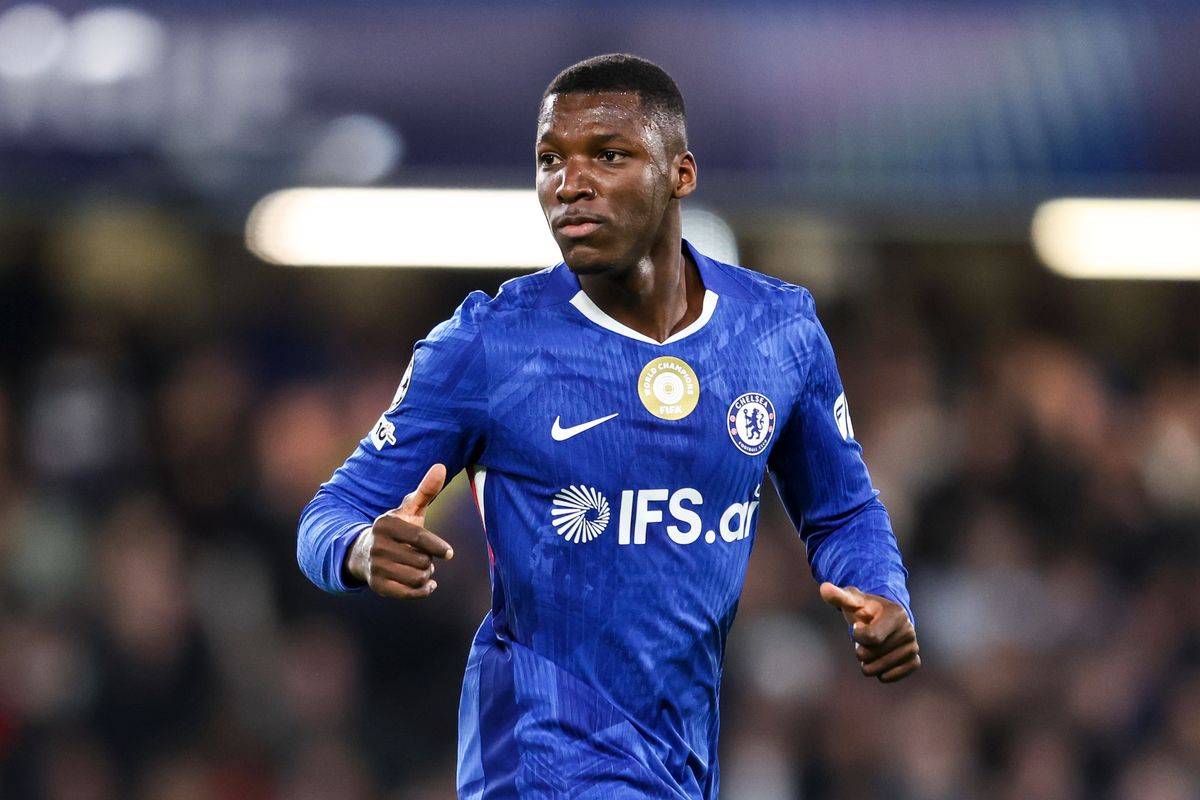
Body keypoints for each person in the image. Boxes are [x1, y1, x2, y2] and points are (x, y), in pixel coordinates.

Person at [298, 53, 920, 799]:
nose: (570, 183)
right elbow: (326, 515)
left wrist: (881, 591)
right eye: (550, 160)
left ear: (680, 175)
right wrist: (361, 548)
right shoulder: (488, 345)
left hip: (679, 766)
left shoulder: (777, 332)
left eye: (609, 155)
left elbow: (841, 508)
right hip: (537, 765)